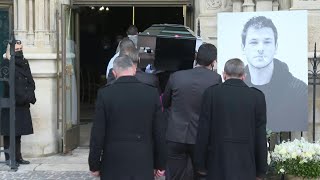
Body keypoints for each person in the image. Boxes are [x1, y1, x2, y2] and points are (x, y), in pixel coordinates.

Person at [88, 56, 166, 180]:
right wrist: (160, 164)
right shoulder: (151, 93)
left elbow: (97, 134)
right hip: (143, 161)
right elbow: (159, 132)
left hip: (113, 161)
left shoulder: (105, 94)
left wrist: (94, 164)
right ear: (134, 70)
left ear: (114, 73)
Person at [194, 58, 267, 180]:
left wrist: (200, 164)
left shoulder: (211, 93)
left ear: (224, 75)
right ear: (244, 76)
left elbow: (203, 131)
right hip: (246, 163)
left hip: (217, 161)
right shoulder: (257, 97)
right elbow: (260, 135)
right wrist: (261, 169)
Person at [162, 43, 222, 180]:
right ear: (213, 62)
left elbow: (165, 103)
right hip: (200, 137)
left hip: (175, 134)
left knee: (174, 176)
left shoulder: (176, 76)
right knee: (200, 176)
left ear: (196, 58)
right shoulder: (215, 79)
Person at [242, 16, 307, 131]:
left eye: (267, 42)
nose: (260, 49)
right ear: (243, 47)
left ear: (276, 47)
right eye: (254, 42)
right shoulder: (236, 89)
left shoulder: (299, 91)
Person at [0, 41, 36, 165]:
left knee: (18, 132)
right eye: (16, 49)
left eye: (21, 48)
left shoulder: (25, 62)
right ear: (10, 50)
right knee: (9, 132)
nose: (19, 51)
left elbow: (30, 80)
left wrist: (29, 95)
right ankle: (10, 158)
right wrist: (21, 96)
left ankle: (18, 156)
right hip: (12, 101)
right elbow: (9, 83)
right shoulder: (6, 62)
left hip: (23, 101)